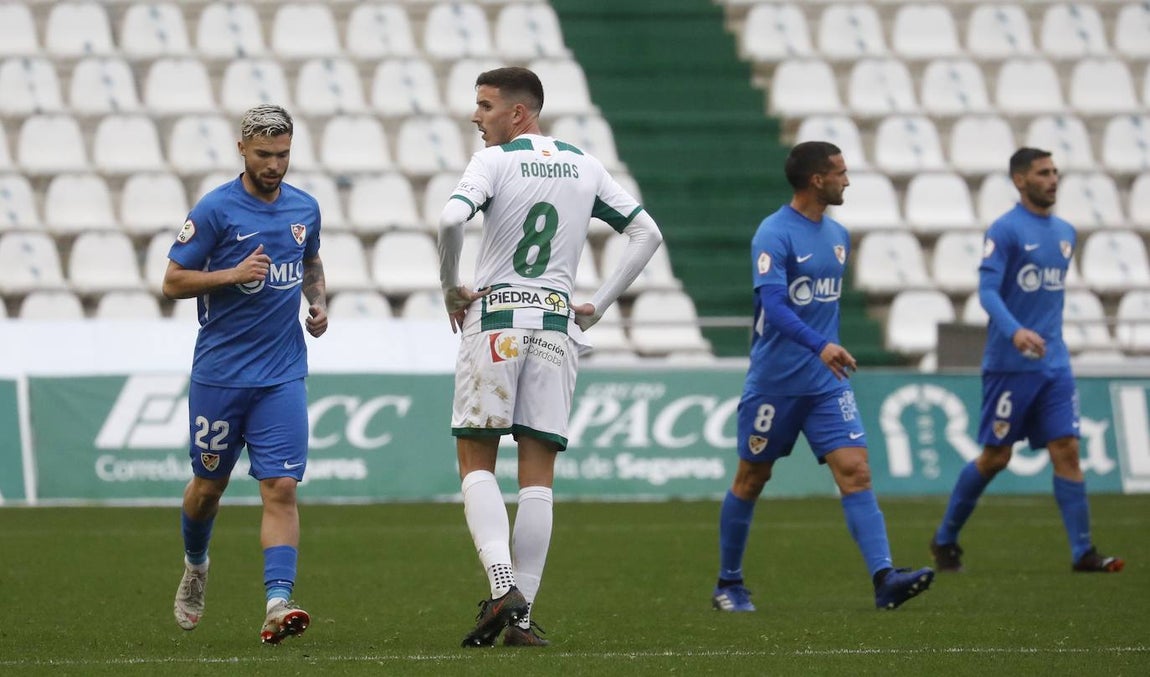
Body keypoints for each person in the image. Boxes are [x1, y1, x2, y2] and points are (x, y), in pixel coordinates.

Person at [438, 66, 663, 647]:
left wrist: (450, 289)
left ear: (519, 113)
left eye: (485, 106)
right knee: (538, 478)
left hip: (497, 322)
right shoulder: (583, 164)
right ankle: (522, 619)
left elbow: (449, 219)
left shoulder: (494, 162)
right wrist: (602, 305)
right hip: (557, 327)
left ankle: (502, 583)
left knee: (476, 462)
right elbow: (646, 233)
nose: (475, 116)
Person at [712, 141, 934, 613]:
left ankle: (884, 578)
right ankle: (728, 583)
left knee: (856, 472)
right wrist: (821, 344)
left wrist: (823, 351)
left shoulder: (838, 235)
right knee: (752, 478)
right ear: (817, 180)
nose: (847, 181)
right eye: (841, 173)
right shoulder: (773, 234)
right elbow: (774, 306)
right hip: (775, 382)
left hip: (825, 383)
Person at [164, 104, 328, 644]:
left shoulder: (305, 207)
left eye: (283, 154)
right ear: (241, 149)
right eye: (264, 155)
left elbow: (310, 261)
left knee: (280, 485)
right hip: (221, 374)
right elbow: (172, 281)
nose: (275, 165)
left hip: (281, 374)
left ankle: (278, 603)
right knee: (208, 488)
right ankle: (196, 566)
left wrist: (318, 303)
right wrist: (233, 273)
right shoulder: (215, 210)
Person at [930, 148, 1124, 574]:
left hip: (1054, 364)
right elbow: (987, 292)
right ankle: (944, 538)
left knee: (1067, 450)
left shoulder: (1066, 233)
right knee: (996, 457)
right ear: (1020, 180)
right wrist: (1015, 330)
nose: (1053, 179)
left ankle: (1083, 553)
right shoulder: (1005, 231)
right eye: (1043, 173)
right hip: (1009, 365)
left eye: (1055, 171)